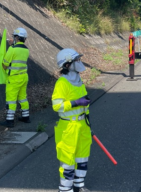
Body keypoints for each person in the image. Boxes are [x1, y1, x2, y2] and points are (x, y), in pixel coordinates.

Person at [52, 48, 92, 192]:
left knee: (82, 156)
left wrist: (86, 114)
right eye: (77, 60)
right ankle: (65, 189)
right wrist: (76, 103)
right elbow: (57, 106)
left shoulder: (78, 79)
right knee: (67, 160)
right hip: (68, 127)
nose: (80, 62)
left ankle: (79, 185)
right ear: (68, 64)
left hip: (82, 124)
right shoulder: (62, 83)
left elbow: (83, 100)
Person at [0, 27, 30, 128]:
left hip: (14, 78)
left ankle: (9, 120)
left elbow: (4, 65)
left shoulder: (12, 49)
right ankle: (26, 117)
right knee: (23, 98)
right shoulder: (26, 50)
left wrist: (11, 47)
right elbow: (18, 54)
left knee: (11, 99)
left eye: (14, 37)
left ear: (16, 37)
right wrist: (13, 44)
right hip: (24, 77)